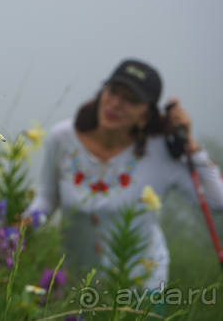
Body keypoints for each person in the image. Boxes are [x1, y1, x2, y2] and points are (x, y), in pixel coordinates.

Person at [23, 59, 223, 291]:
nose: (116, 103)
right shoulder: (63, 138)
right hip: (76, 284)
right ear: (101, 93)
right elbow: (48, 197)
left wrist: (190, 145)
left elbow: (216, 201)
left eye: (131, 99)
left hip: (140, 288)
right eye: (113, 91)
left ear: (146, 115)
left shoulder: (161, 152)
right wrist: (24, 226)